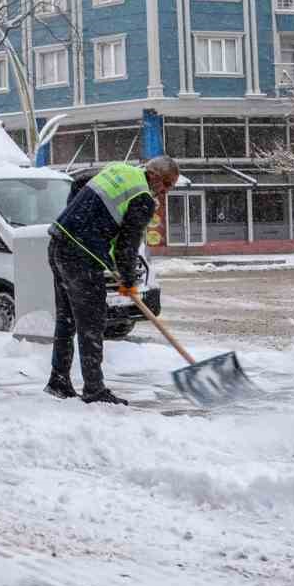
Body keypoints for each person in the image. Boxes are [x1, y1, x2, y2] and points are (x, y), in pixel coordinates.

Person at [45, 155, 180, 405]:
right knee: (92, 323)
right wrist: (128, 282)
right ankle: (94, 390)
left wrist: (80, 221)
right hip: (81, 256)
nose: (165, 192)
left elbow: (79, 182)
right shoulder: (142, 199)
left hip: (58, 242)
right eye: (168, 184)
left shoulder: (119, 170)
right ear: (155, 176)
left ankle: (59, 381)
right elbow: (127, 247)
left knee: (66, 319)